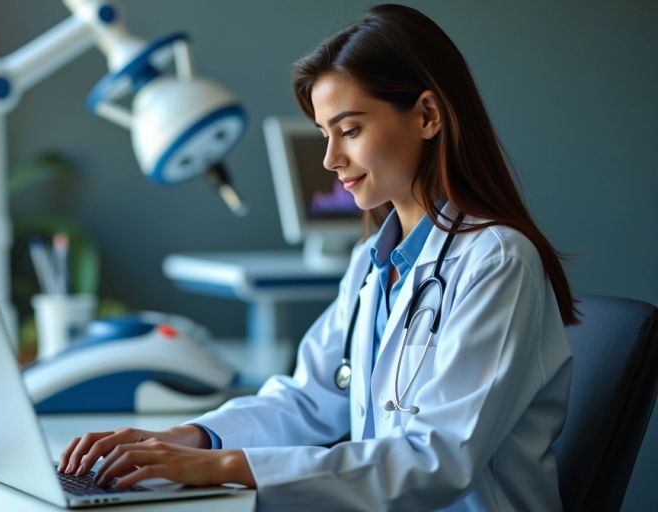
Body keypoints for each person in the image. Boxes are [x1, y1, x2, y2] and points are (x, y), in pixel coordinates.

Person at [57, 4, 578, 510]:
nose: (331, 159)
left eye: (349, 130)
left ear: (427, 115)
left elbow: (436, 459)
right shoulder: (374, 263)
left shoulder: (497, 261)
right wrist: (190, 437)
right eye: (326, 134)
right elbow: (309, 400)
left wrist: (220, 468)